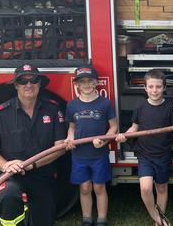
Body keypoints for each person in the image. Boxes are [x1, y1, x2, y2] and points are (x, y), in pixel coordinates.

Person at [0, 63, 66, 226]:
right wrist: (6, 165)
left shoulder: (53, 110)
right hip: (12, 176)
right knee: (9, 195)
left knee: (44, 219)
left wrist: (32, 165)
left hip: (42, 175)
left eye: (33, 80)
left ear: (39, 84)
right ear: (15, 85)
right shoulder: (1, 114)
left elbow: (60, 147)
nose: (29, 85)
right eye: (23, 81)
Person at [115, 69, 173, 226]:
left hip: (163, 154)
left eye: (157, 87)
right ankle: (156, 217)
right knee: (145, 188)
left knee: (161, 188)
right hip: (145, 155)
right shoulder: (140, 107)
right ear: (145, 88)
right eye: (150, 87)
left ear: (164, 87)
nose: (154, 90)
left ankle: (160, 218)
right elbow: (134, 128)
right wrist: (125, 135)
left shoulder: (170, 107)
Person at [64, 65, 118, 226]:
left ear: (96, 82)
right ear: (77, 85)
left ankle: (102, 219)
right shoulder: (72, 105)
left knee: (99, 187)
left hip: (98, 155)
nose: (86, 85)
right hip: (79, 155)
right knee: (85, 187)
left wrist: (104, 140)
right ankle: (87, 218)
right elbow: (72, 127)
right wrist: (69, 138)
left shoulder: (105, 104)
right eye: (82, 82)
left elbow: (113, 127)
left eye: (89, 81)